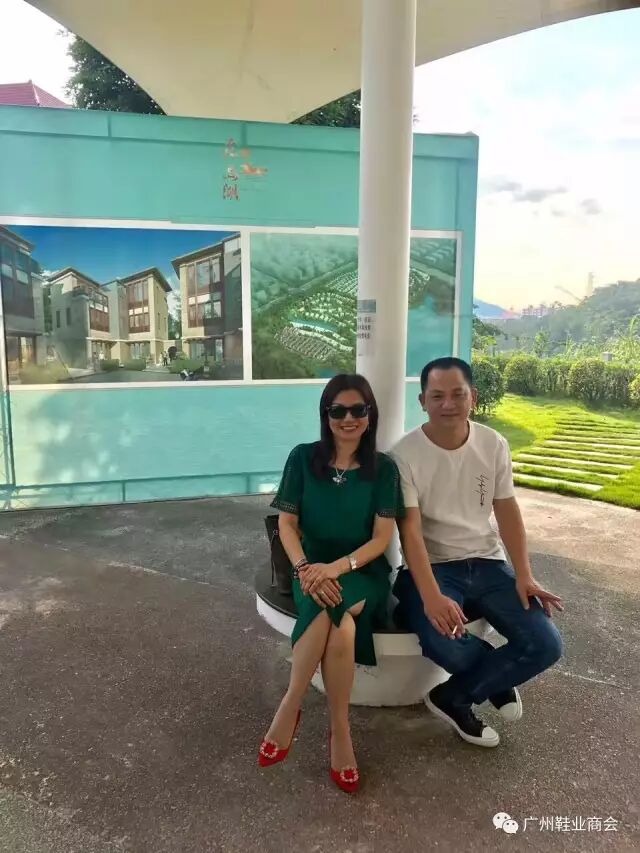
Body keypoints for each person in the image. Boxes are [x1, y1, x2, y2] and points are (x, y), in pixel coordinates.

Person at [391, 357, 563, 748]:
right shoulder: (403, 454)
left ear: (474, 397)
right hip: (434, 567)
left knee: (547, 644)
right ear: (422, 401)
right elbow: (410, 531)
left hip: (488, 563)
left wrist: (524, 575)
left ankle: (453, 696)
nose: (448, 404)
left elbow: (507, 510)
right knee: (443, 642)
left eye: (458, 394)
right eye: (437, 396)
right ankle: (497, 676)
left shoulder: (493, 443)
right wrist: (431, 596)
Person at [258, 374, 405, 792]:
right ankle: (340, 733)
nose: (348, 418)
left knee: (333, 607)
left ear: (370, 414)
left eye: (358, 409)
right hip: (309, 568)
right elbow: (287, 525)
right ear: (325, 415)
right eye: (337, 410)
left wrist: (335, 569)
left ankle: (290, 707)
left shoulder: (384, 469)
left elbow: (381, 540)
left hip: (362, 571)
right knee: (342, 629)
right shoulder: (303, 458)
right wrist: (307, 568)